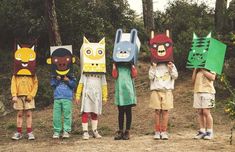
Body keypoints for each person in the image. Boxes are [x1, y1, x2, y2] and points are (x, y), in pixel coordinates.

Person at [149, 62, 178, 140]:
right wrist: (153, 68)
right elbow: (150, 77)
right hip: (156, 90)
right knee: (157, 111)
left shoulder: (171, 64)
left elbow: (175, 76)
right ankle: (157, 131)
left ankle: (164, 131)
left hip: (167, 91)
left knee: (165, 111)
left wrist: (170, 69)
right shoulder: (154, 64)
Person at [75, 73, 107, 140]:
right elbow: (81, 83)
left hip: (96, 95)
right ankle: (85, 132)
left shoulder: (101, 73)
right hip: (87, 95)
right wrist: (78, 95)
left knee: (95, 112)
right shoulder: (85, 72)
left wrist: (104, 97)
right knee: (85, 112)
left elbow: (104, 85)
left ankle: (94, 131)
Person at [112, 63, 137, 140]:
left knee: (128, 111)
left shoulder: (129, 65)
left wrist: (132, 66)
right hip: (120, 91)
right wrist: (114, 67)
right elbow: (115, 76)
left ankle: (127, 131)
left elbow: (134, 75)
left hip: (128, 90)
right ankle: (120, 131)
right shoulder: (117, 65)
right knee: (121, 112)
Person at [11, 75, 38, 140]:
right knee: (19, 114)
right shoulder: (15, 74)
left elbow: (35, 84)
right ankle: (19, 132)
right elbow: (13, 84)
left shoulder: (32, 73)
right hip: (18, 96)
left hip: (29, 96)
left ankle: (29, 132)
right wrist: (14, 95)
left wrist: (31, 95)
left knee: (28, 114)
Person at [192, 68, 216, 140]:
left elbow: (212, 77)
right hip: (197, 91)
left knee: (206, 112)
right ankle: (202, 131)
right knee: (200, 112)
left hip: (208, 92)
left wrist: (202, 69)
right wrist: (195, 70)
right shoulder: (197, 68)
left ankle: (210, 131)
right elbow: (193, 81)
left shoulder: (211, 66)